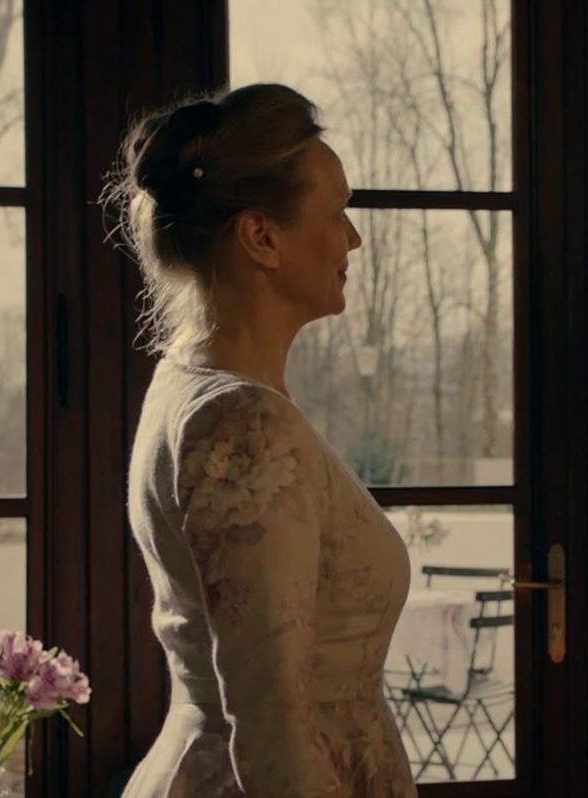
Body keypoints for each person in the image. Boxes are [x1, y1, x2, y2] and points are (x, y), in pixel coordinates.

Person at [112, 83, 417, 798]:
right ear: (261, 236)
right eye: (336, 212)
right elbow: (273, 722)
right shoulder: (241, 423)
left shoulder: (193, 384)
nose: (353, 238)